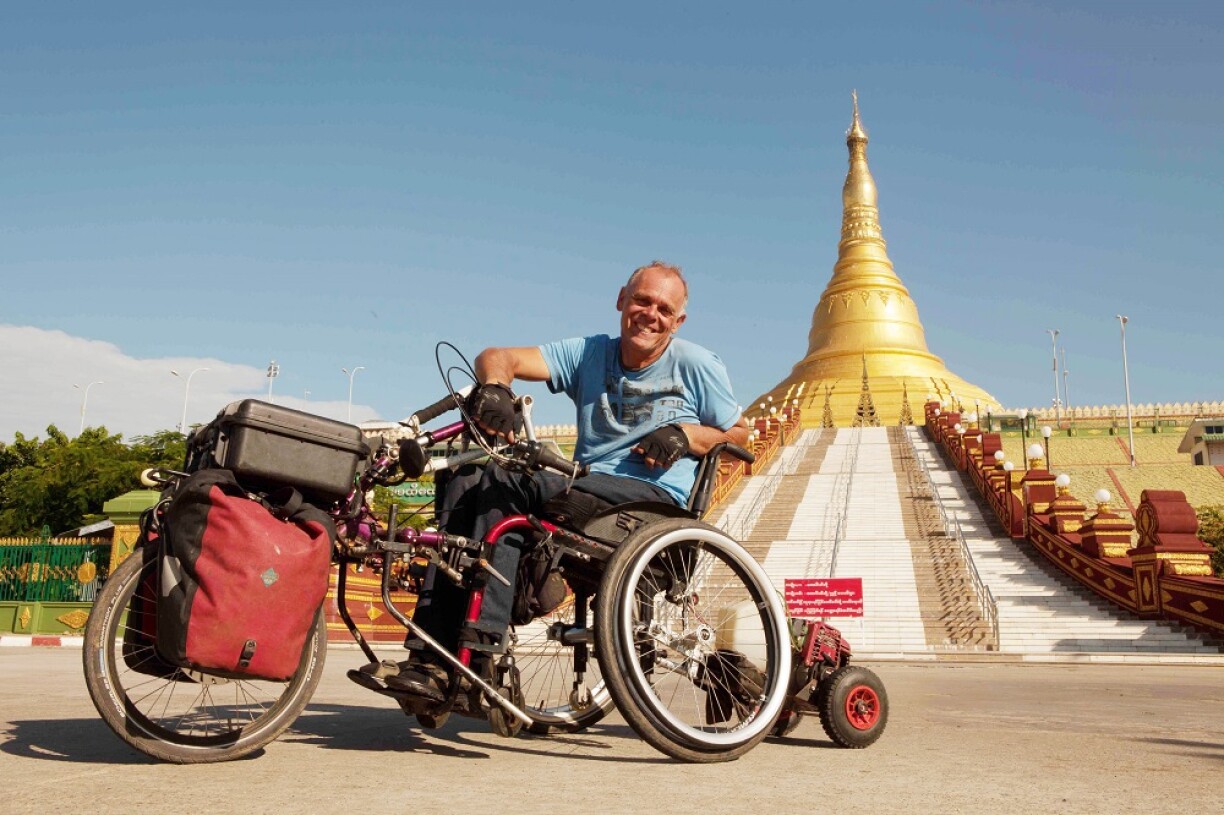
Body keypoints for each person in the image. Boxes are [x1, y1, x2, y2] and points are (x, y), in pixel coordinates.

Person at [380, 260, 749, 702]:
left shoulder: (695, 364)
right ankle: (433, 658)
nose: (651, 314)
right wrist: (496, 388)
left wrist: (685, 434)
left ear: (678, 321)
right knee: (469, 473)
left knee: (509, 482)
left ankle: (479, 654)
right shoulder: (591, 353)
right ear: (621, 300)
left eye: (664, 309)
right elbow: (500, 356)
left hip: (650, 503)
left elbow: (739, 434)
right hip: (584, 488)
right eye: (642, 300)